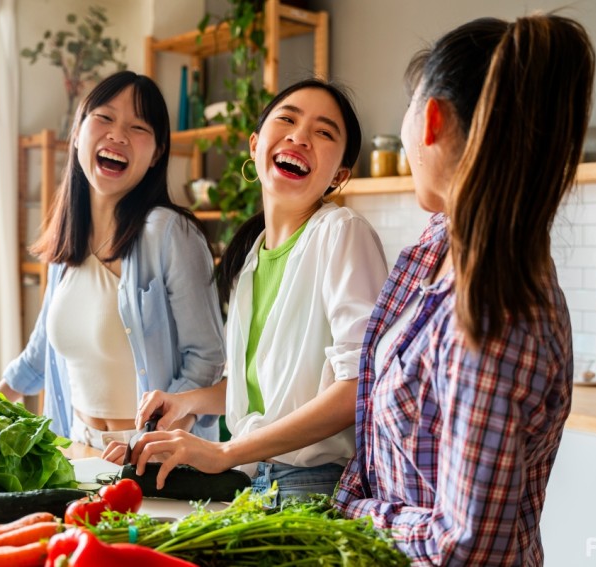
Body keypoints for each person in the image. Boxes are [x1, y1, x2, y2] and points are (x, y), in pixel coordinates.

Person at [333, 14, 595, 565]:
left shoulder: (495, 309)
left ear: (429, 119)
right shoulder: (441, 247)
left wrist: (355, 512)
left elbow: (466, 545)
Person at [103, 79, 389, 500]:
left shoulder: (342, 233)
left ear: (339, 176)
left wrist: (224, 450)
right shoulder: (252, 256)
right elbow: (264, 392)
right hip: (254, 480)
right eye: (287, 119)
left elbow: (358, 387)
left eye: (324, 132)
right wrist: (189, 402)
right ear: (255, 145)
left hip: (314, 484)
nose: (299, 136)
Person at [0, 71, 226, 450]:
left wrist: (149, 439)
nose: (117, 135)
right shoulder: (68, 242)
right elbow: (39, 355)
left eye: (138, 127)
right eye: (104, 118)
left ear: (157, 154)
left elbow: (207, 357)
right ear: (77, 133)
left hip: (154, 454)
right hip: (79, 445)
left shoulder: (169, 233)